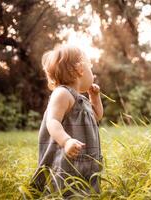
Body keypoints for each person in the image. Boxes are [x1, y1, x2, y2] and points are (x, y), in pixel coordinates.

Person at [29, 44, 104, 198]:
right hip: (66, 158)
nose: (93, 73)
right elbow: (52, 121)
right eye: (91, 68)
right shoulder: (62, 94)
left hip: (86, 159)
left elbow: (97, 116)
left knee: (85, 189)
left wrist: (95, 98)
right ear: (80, 69)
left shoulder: (81, 99)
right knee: (64, 189)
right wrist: (66, 141)